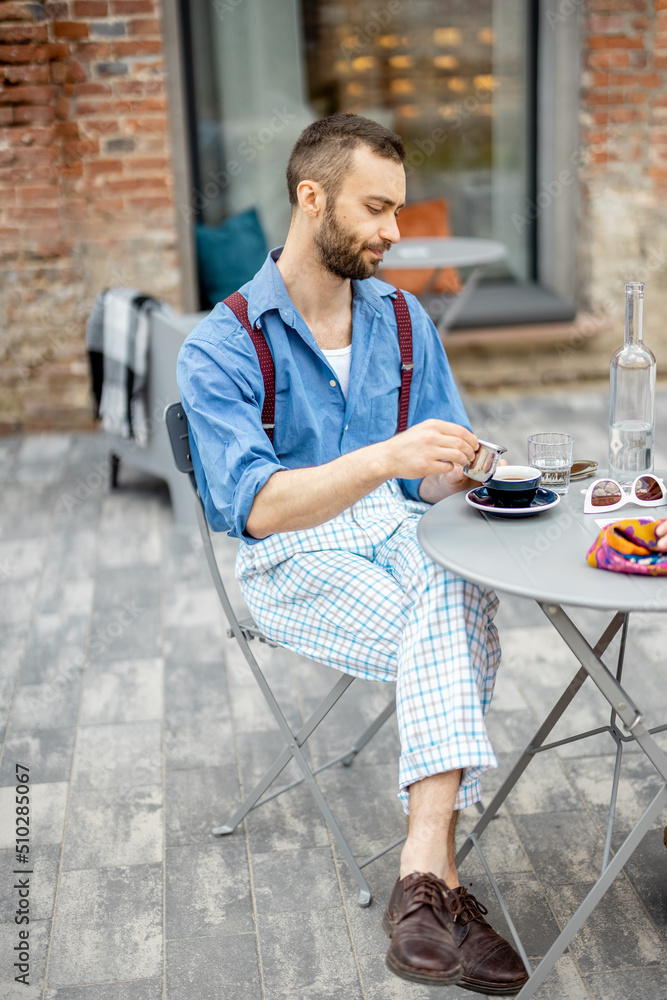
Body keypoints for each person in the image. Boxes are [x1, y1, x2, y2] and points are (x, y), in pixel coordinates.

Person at [177, 113, 528, 994]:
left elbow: (426, 484)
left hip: (400, 539)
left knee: (454, 586)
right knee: (457, 611)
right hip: (293, 560)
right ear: (311, 197)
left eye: (396, 210)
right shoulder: (221, 343)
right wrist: (386, 458)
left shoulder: (404, 320)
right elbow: (253, 507)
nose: (394, 232)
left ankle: (421, 877)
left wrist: (462, 469)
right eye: (376, 209)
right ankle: (446, 884)